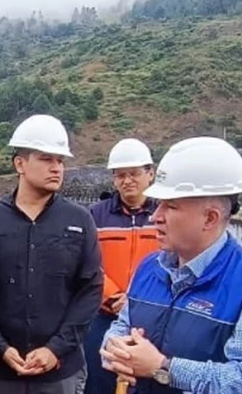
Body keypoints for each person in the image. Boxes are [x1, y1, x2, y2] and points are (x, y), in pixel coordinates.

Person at [101, 136, 242, 394]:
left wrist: (163, 368)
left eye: (170, 206)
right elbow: (121, 326)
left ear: (210, 218)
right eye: (158, 205)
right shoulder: (149, 267)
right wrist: (114, 349)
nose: (155, 216)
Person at [0, 114, 103, 394]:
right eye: (46, 159)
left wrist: (55, 349)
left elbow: (90, 290)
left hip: (59, 372)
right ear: (20, 163)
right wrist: (0, 346)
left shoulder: (79, 220)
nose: (56, 168)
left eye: (60, 161)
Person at [83, 138, 158, 394]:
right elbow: (87, 262)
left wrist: (136, 300)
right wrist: (114, 295)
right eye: (120, 175)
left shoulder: (165, 213)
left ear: (150, 173)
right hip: (104, 313)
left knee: (150, 382)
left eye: (134, 173)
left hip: (152, 316)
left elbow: (173, 263)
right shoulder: (96, 215)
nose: (127, 180)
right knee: (97, 381)